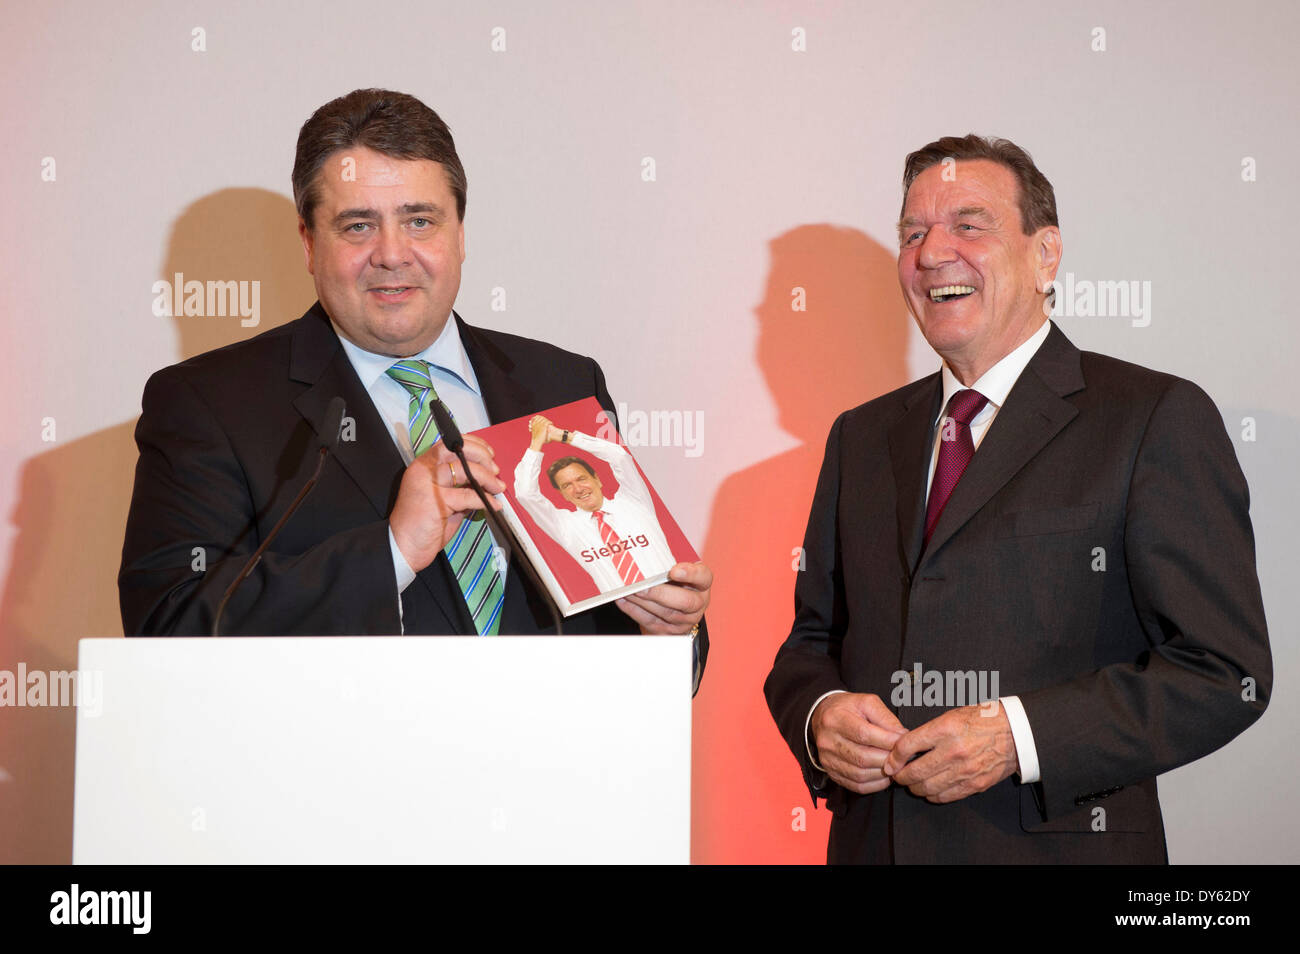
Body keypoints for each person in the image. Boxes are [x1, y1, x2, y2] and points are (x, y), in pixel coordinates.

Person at [764, 134, 1271, 863]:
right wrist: (820, 715)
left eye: (969, 225)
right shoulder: (860, 436)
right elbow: (809, 645)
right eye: (913, 233)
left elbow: (1227, 674)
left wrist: (1019, 737)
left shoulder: (1153, 416)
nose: (933, 252)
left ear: (1046, 255)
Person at [119, 88, 709, 692]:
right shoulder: (207, 403)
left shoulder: (560, 384)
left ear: (459, 234)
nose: (392, 255)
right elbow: (167, 629)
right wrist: (391, 551)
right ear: (308, 242)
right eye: (358, 226)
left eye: (419, 221)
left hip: (559, 774)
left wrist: (669, 631)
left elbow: (627, 608)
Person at [514, 415, 676, 592]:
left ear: (597, 479)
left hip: (677, 595)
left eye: (581, 479)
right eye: (567, 485)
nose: (578, 489)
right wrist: (536, 444)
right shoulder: (565, 525)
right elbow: (525, 493)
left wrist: (563, 436)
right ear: (562, 494)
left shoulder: (633, 501)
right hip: (624, 613)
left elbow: (619, 456)